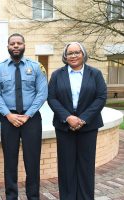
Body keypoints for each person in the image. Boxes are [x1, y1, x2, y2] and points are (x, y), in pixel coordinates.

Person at [47, 42, 107, 200]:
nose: (73, 56)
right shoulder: (57, 75)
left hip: (88, 127)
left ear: (83, 54)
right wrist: (68, 117)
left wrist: (83, 118)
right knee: (66, 167)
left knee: (86, 166)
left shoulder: (95, 74)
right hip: (64, 127)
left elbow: (101, 97)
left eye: (77, 52)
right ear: (65, 56)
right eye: (70, 53)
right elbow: (52, 98)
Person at [0, 33, 48, 200]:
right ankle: (11, 196)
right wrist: (8, 115)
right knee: (10, 161)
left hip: (31, 120)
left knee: (32, 161)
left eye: (19, 43)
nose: (15, 46)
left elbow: (42, 92)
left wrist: (28, 115)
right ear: (7, 47)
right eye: (12, 43)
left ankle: (33, 196)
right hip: (8, 119)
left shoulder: (37, 67)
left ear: (24, 45)